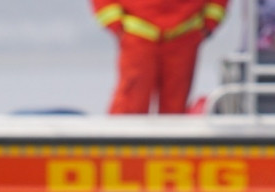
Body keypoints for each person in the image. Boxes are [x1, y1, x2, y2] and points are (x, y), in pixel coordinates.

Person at [91, 0, 228, 114]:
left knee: (175, 107)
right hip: (139, 35)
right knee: (132, 102)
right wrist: (117, 26)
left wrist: (209, 23)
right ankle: (122, 143)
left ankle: (173, 144)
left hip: (184, 35)